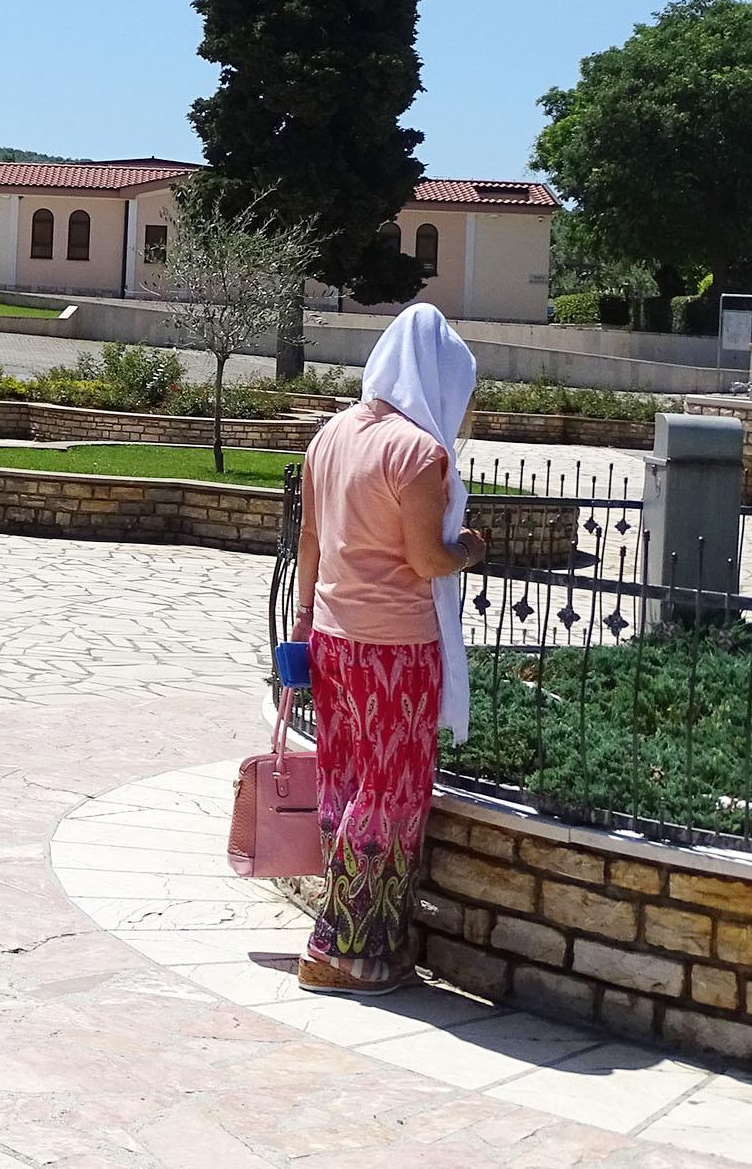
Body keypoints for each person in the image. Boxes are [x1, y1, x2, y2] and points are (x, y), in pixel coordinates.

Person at [287, 302, 486, 993]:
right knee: (392, 792)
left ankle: (378, 945)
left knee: (349, 784)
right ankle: (336, 945)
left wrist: (302, 623)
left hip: (335, 641)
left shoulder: (331, 435)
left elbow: (309, 541)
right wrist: (470, 547)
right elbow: (429, 559)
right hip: (397, 649)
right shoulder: (417, 452)